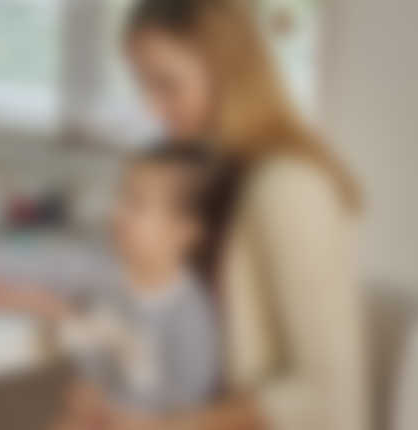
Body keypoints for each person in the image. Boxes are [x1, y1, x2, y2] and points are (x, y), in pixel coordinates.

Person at [120, 0, 368, 429]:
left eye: (167, 85)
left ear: (226, 72)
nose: (152, 109)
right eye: (144, 85)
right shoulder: (214, 177)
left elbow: (327, 398)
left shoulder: (289, 189)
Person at [56, 144, 220, 428]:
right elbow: (94, 359)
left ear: (184, 231)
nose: (117, 212)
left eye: (136, 204)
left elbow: (186, 411)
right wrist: (87, 391)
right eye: (121, 198)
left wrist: (120, 417)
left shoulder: (189, 317)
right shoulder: (110, 289)